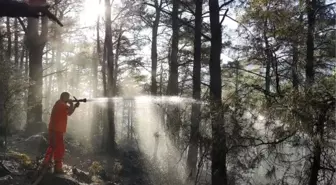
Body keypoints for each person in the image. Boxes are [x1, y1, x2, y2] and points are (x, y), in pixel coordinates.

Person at [42, 92, 80, 174]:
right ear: (62, 97)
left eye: (69, 97)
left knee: (52, 146)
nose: (68, 99)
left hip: (55, 129)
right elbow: (69, 110)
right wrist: (71, 104)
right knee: (59, 148)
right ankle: (57, 168)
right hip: (56, 130)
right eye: (67, 97)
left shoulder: (61, 104)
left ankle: (46, 163)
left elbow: (69, 113)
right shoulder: (60, 104)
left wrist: (74, 106)